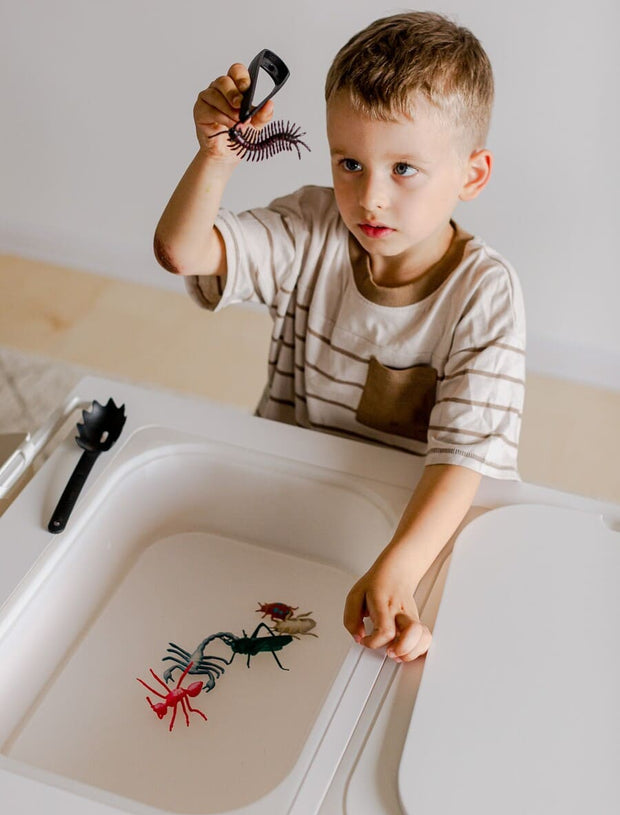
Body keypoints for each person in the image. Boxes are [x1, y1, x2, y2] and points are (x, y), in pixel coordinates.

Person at [153, 11, 526, 664]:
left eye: (404, 168)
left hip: (417, 524)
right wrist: (215, 155)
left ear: (471, 174)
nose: (370, 198)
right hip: (297, 485)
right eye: (349, 163)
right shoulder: (314, 226)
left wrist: (401, 567)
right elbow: (181, 251)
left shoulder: (486, 294)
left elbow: (464, 459)